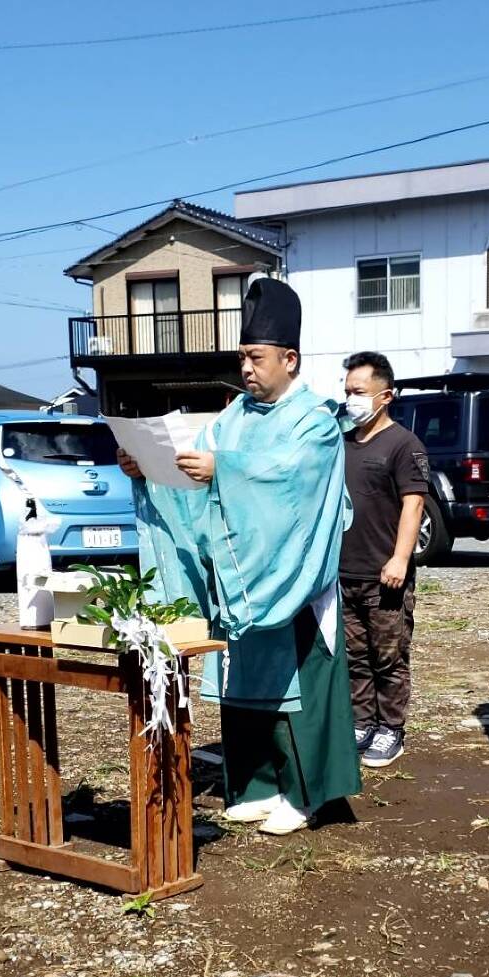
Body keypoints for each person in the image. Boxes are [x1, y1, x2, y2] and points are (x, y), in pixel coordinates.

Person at [117, 277, 360, 836]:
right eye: (243, 358)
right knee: (242, 682)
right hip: (241, 576)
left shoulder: (314, 421)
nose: (247, 368)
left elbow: (293, 481)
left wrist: (225, 470)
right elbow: (193, 463)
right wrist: (148, 471)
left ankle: (306, 794)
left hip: (293, 578)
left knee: (298, 691)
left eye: (257, 357)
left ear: (289, 358)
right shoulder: (233, 418)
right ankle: (256, 784)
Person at [338, 351, 429, 768]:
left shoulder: (403, 445)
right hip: (344, 572)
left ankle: (391, 728)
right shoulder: (341, 442)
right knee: (355, 655)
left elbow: (414, 506)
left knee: (389, 656)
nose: (350, 399)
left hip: (385, 575)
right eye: (347, 391)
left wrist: (399, 559)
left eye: (358, 392)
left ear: (385, 395)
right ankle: (362, 721)